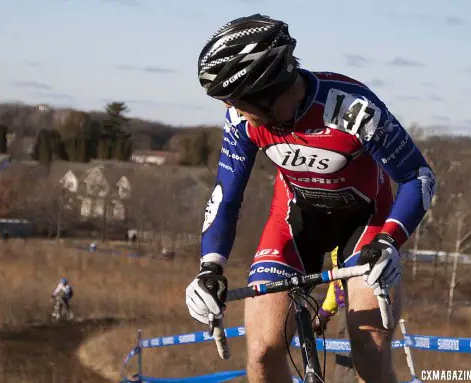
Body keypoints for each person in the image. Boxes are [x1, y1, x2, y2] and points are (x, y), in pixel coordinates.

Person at [185, 14, 436, 383]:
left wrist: (390, 242)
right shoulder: (241, 122)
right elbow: (226, 195)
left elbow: (418, 176)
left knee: (369, 350)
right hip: (295, 222)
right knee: (261, 353)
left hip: (366, 223)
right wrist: (210, 268)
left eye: (239, 101)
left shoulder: (351, 109)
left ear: (268, 90)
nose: (234, 112)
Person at [313, 247, 356, 382]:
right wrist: (324, 312)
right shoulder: (337, 244)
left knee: (351, 357)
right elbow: (336, 278)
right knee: (343, 356)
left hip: (357, 303)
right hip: (345, 306)